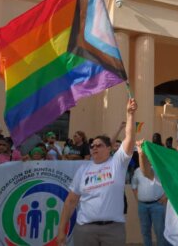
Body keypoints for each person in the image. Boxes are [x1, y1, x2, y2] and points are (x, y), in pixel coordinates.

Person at [57, 98, 137, 246]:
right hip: (85, 230)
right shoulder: (83, 170)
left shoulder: (117, 163)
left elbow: (130, 139)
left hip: (113, 231)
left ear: (109, 148)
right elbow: (70, 201)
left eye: (99, 145)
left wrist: (130, 114)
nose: (94, 148)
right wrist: (61, 230)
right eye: (92, 145)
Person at [138, 135, 178, 246]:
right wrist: (141, 154)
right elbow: (147, 173)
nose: (174, 154)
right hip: (172, 238)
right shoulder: (172, 174)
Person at [132, 139, 168, 246]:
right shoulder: (137, 171)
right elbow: (134, 187)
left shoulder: (160, 169)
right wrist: (138, 201)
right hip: (143, 206)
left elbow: (170, 185)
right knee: (145, 232)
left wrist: (165, 196)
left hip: (157, 205)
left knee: (160, 232)